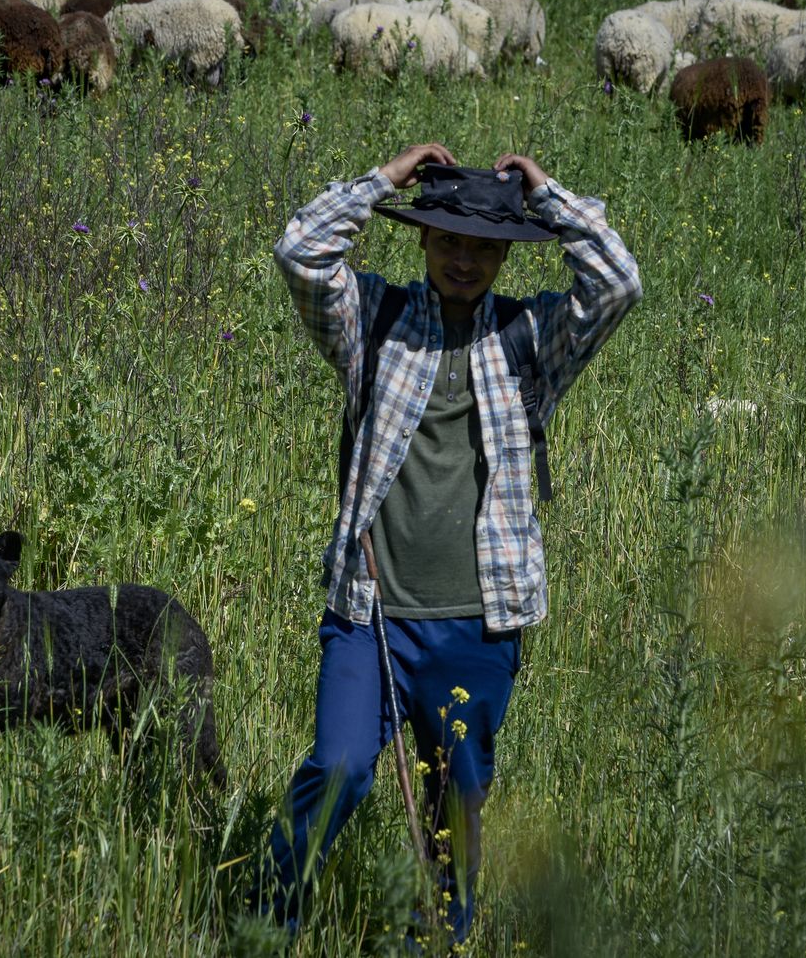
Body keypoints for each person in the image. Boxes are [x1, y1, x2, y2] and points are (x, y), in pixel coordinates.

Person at [254, 142, 643, 945]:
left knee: (456, 800)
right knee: (339, 771)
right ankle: (265, 926)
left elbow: (617, 281)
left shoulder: (532, 336)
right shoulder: (374, 320)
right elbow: (300, 251)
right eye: (449, 242)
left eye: (483, 247)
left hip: (479, 623)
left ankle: (436, 939)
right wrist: (383, 180)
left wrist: (544, 193)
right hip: (371, 614)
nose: (465, 261)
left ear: (504, 252)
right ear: (423, 242)